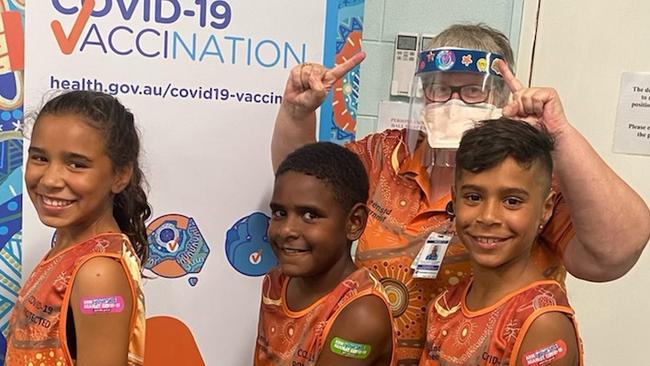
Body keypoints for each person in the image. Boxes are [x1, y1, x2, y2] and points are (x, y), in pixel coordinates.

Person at [271, 23, 650, 365]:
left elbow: (615, 253)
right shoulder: (384, 157)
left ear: (501, 98)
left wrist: (558, 136)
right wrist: (298, 113)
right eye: (439, 89)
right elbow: (305, 189)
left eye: (471, 91)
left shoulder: (531, 179)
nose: (453, 102)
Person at [420, 118, 582, 365]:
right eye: (473, 197)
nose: (488, 217)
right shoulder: (445, 304)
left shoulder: (540, 324)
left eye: (512, 201)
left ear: (546, 209)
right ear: (455, 198)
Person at [5, 91, 150, 366]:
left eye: (76, 164)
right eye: (39, 158)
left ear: (120, 176)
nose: (49, 180)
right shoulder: (69, 247)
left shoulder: (98, 275)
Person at [254, 142, 394, 366]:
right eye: (279, 213)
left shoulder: (361, 314)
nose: (287, 230)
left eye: (310, 215)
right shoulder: (275, 282)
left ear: (354, 222)